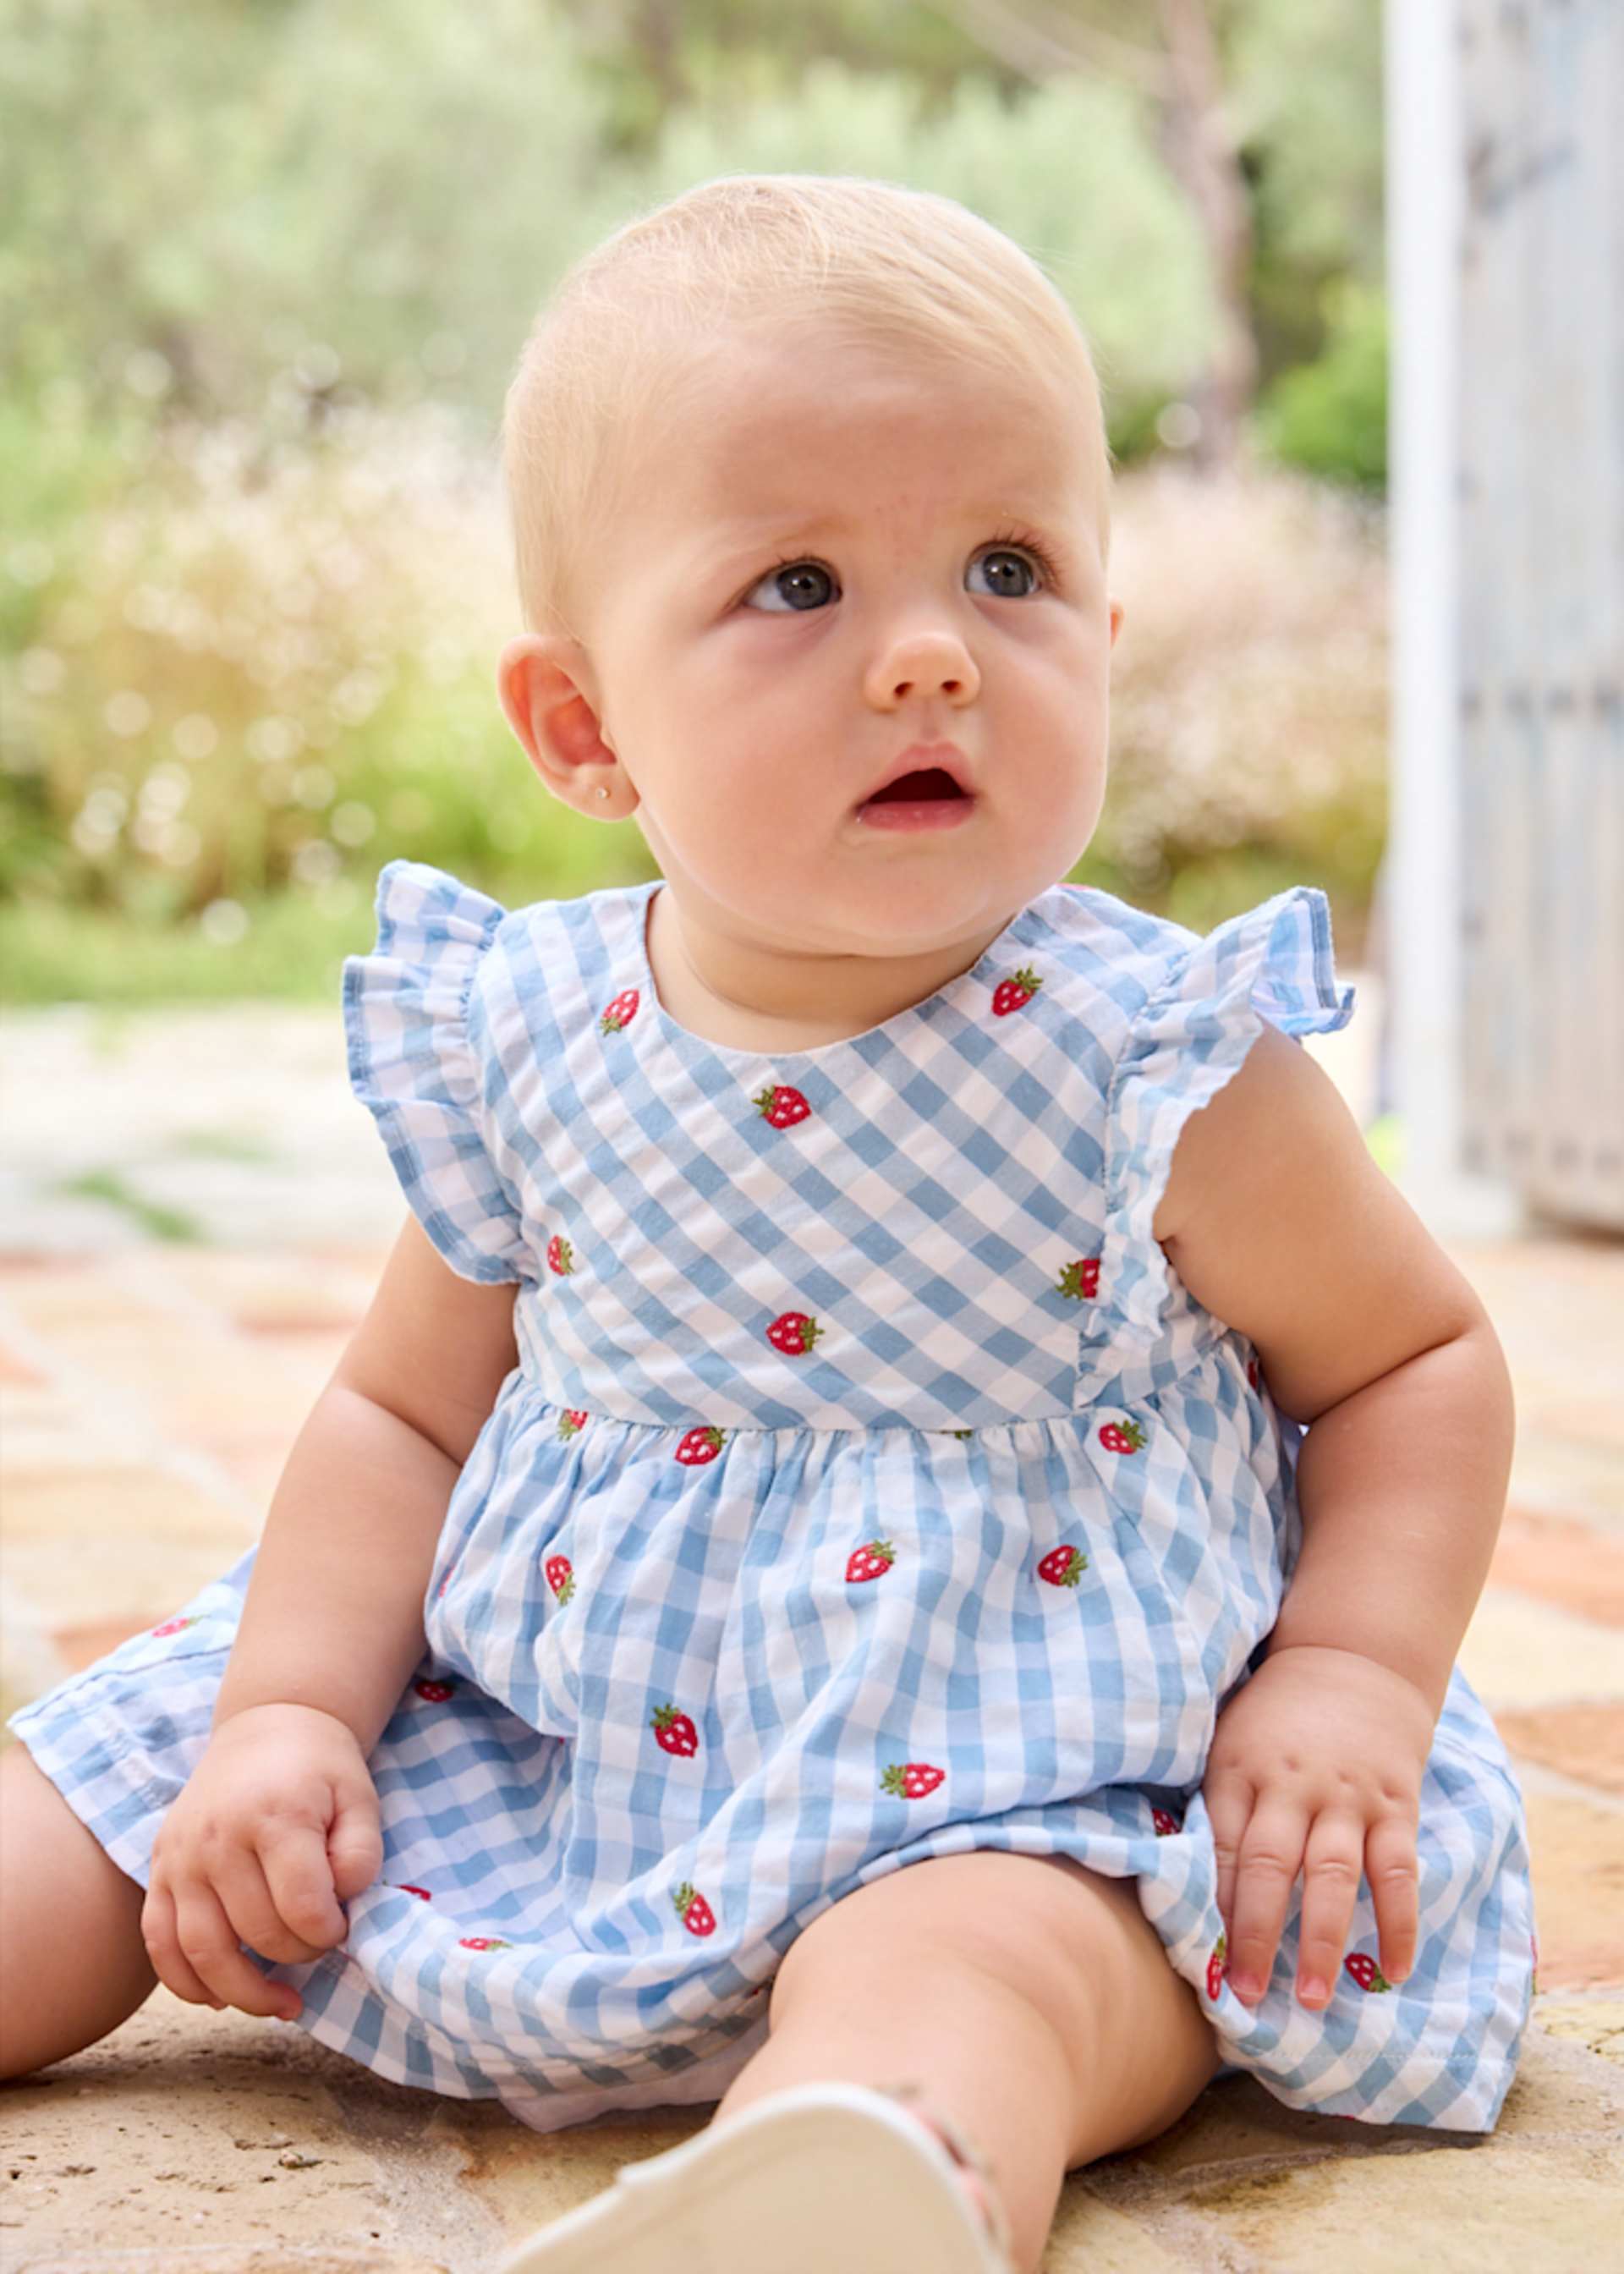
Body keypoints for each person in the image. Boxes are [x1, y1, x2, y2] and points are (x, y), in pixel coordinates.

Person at [0, 174, 1535, 2274]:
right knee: (104, 1811)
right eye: (799, 584)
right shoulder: (527, 1033)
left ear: (1100, 636)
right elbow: (398, 1422)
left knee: (1001, 1970)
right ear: (582, 727)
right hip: (540, 1720)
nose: (926, 657)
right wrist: (283, 1717)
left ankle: (861, 2172)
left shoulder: (1154, 1063)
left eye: (1007, 569)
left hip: (1016, 1752)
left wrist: (1351, 1676)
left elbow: (1412, 1362)